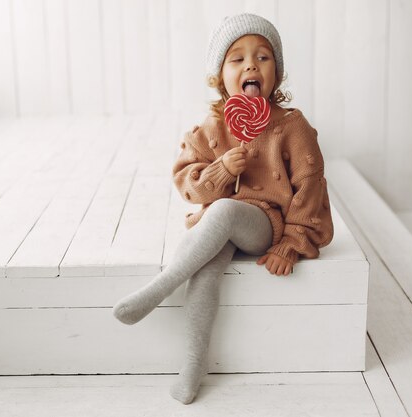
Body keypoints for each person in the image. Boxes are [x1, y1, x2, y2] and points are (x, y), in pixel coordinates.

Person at [112, 13, 334, 404]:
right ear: (220, 76)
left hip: (267, 223)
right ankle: (194, 365)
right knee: (207, 271)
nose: (251, 64)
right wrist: (220, 169)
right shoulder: (212, 127)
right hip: (221, 222)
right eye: (238, 59)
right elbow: (187, 182)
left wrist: (291, 243)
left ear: (276, 73)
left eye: (263, 57)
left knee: (224, 213)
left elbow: (310, 186)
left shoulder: (292, 126)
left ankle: (159, 288)